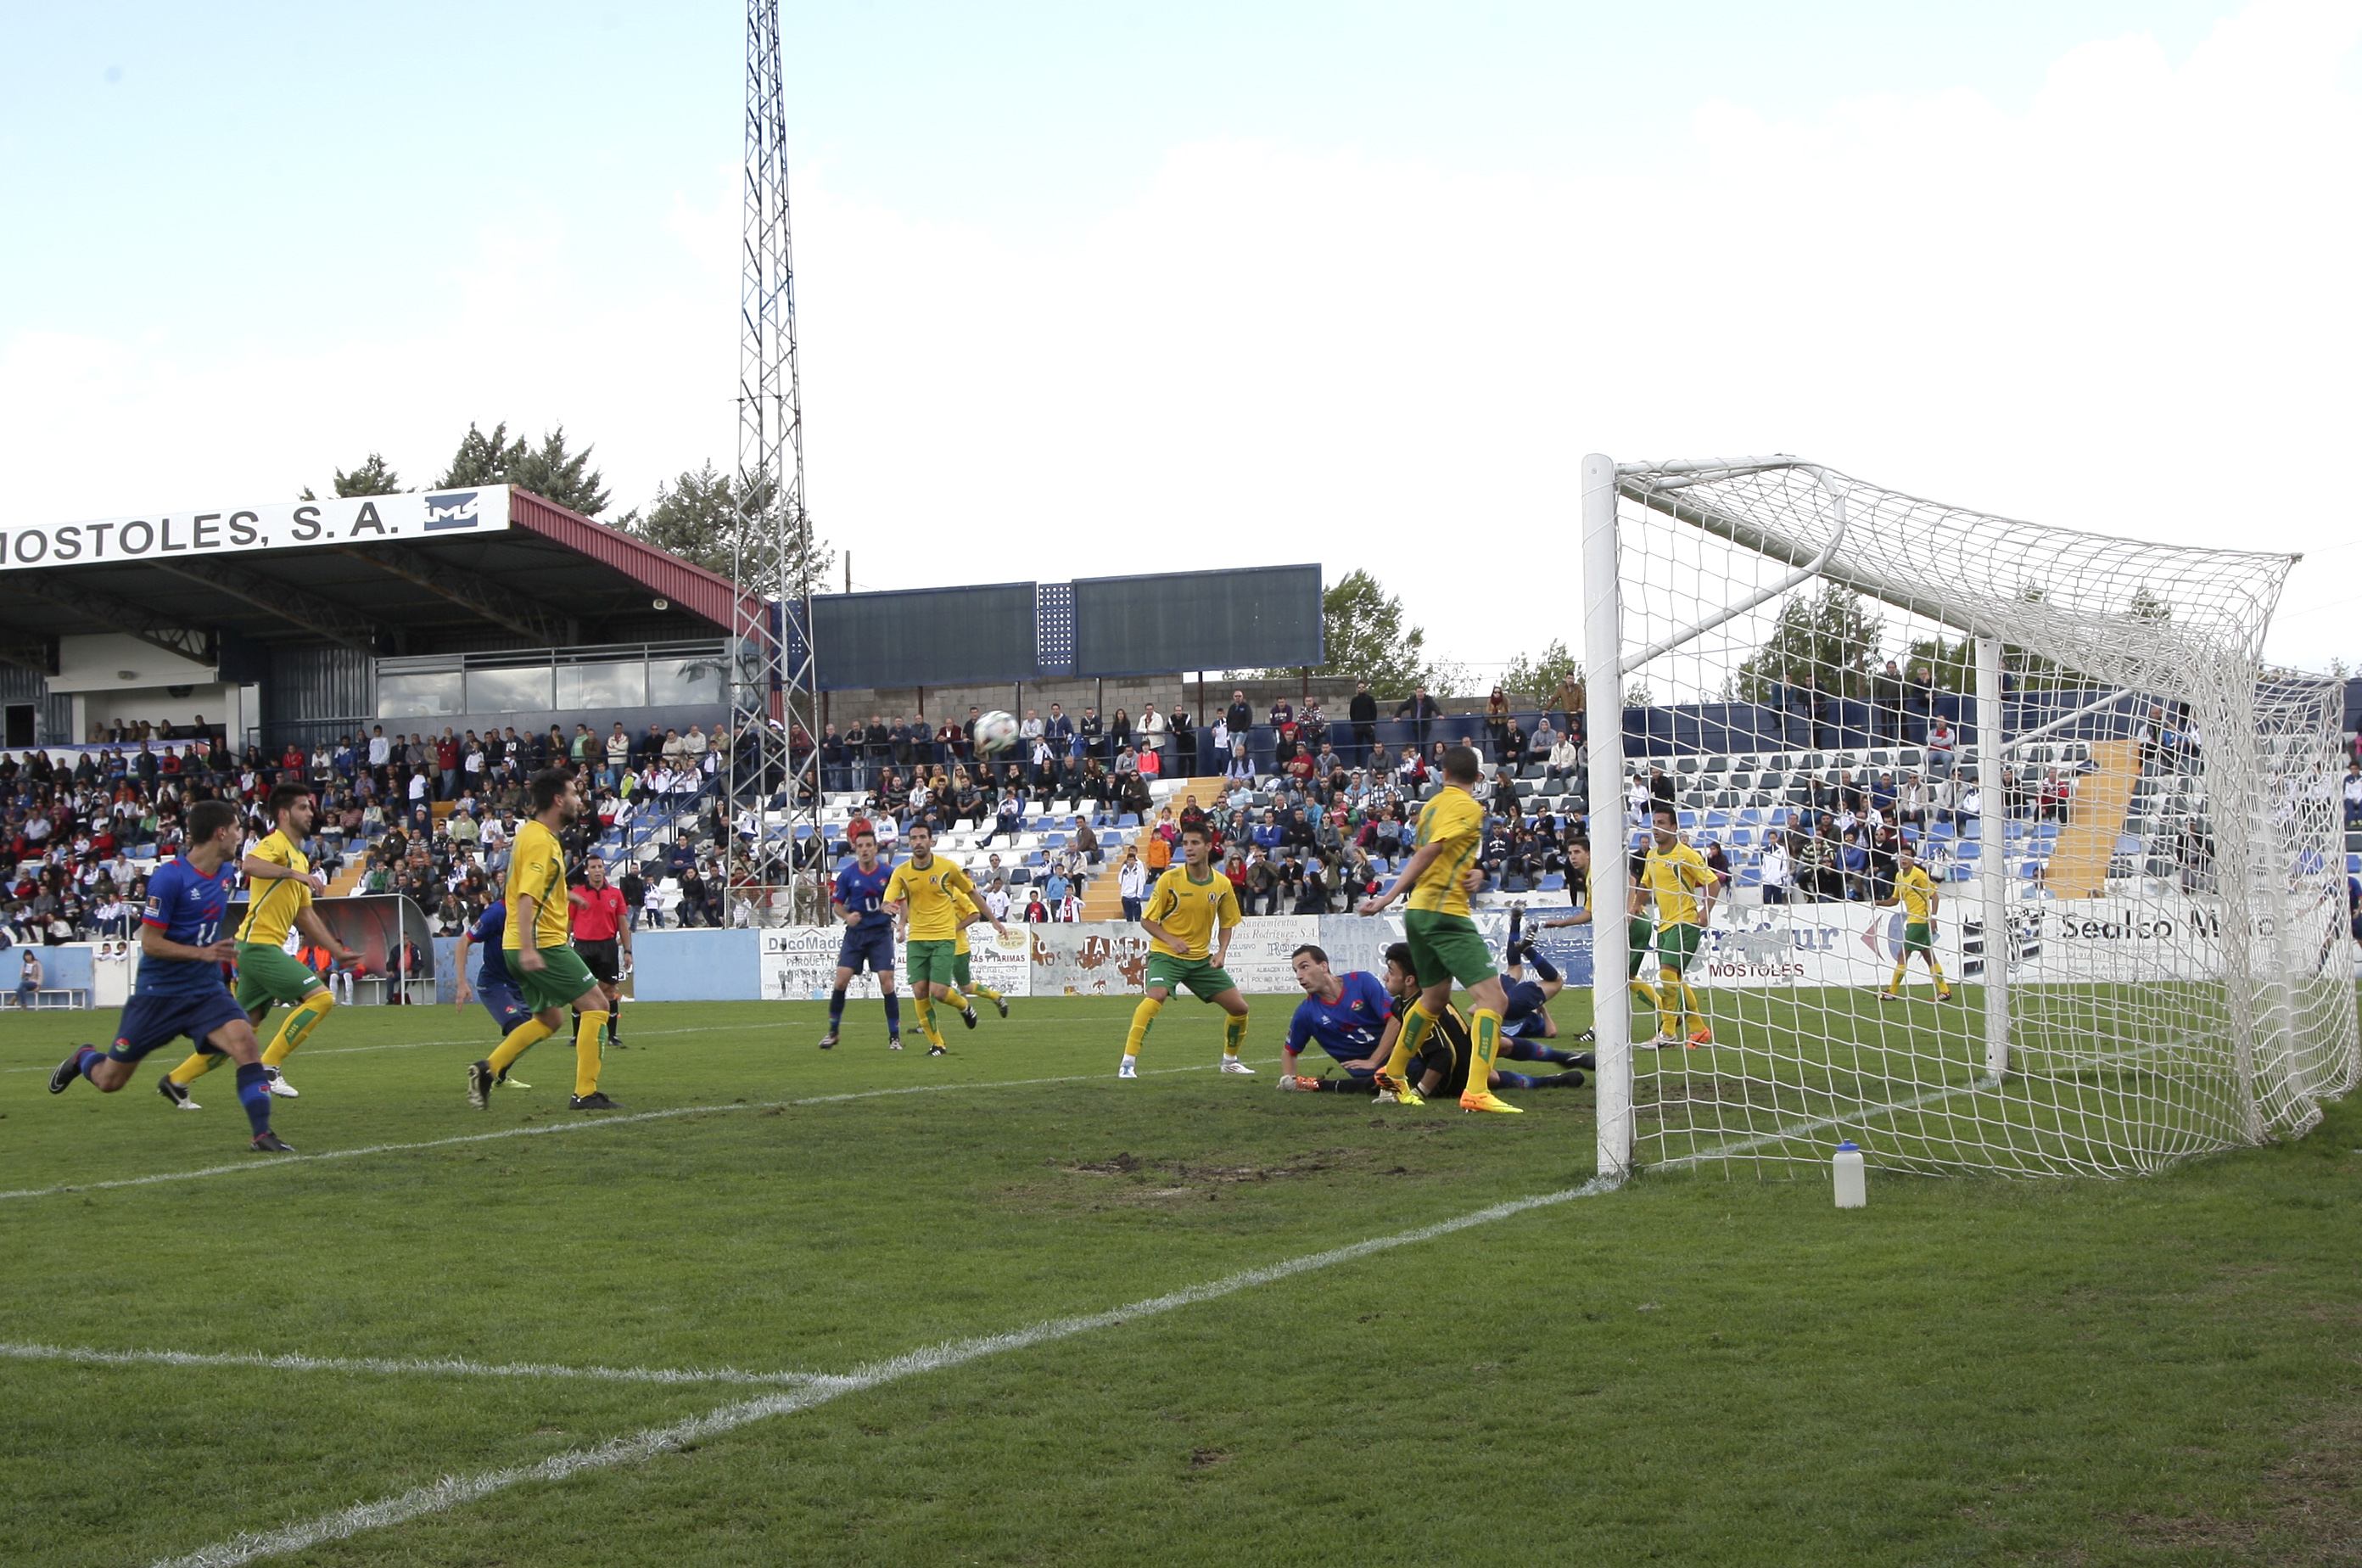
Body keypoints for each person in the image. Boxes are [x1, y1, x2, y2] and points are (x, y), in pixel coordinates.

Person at [48, 798, 294, 1152]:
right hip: (158, 994)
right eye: (238, 829)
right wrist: (203, 952)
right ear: (221, 832)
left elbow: (259, 868)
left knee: (245, 1043)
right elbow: (150, 943)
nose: (242, 836)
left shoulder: (226, 873)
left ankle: (262, 1134)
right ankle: (83, 1056)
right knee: (109, 1081)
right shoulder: (169, 878)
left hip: (206, 989)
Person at [161, 782, 359, 1107]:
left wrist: (336, 951)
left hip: (257, 949)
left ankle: (176, 1080)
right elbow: (249, 865)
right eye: (302, 807)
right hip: (258, 947)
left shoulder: (299, 857)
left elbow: (305, 915)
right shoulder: (276, 844)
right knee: (322, 999)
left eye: (310, 807)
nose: (311, 812)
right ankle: (270, 1067)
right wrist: (292, 875)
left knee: (240, 1036)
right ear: (283, 814)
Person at [1356, 743, 1520, 1113]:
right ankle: (1477, 1090)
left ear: (1441, 774)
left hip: (1420, 912)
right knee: (1495, 1001)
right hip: (1445, 914)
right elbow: (1430, 852)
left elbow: (1446, 856)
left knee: (1433, 999)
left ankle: (1395, 1073)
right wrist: (1387, 895)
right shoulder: (1468, 807)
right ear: (1478, 779)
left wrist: (1478, 871)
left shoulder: (1430, 808)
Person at [465, 770, 618, 1112]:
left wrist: (568, 899)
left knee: (550, 1020)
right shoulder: (539, 841)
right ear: (558, 800)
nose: (580, 802)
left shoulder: (534, 835)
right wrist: (531, 948)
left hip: (516, 946)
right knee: (597, 1006)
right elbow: (524, 897)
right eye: (575, 795)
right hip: (541, 945)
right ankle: (586, 1093)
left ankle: (488, 1070)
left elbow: (535, 890)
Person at [1121, 822, 1255, 1079]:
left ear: (1208, 846)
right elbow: (1147, 921)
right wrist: (1171, 940)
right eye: (1185, 844)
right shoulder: (1169, 880)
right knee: (1156, 995)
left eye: (1195, 843)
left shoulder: (1222, 884)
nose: (1189, 848)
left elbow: (1227, 923)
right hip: (1166, 954)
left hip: (1200, 959)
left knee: (1240, 1009)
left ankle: (1230, 1061)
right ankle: (1128, 1063)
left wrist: (1222, 951)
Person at [880, 820, 1008, 1056]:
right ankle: (938, 1043)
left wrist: (994, 920)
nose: (918, 842)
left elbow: (973, 893)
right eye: (914, 838)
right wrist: (886, 907)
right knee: (919, 991)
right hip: (917, 939)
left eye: (922, 837)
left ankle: (964, 1005)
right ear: (909, 842)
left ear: (931, 841)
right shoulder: (902, 872)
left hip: (943, 938)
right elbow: (889, 897)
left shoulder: (948, 868)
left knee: (938, 991)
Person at [1532, 838, 1659, 1038]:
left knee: (1606, 978)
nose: (1573, 857)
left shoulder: (1599, 869)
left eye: (1577, 852)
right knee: (1624, 978)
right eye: (1570, 853)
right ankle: (1667, 1014)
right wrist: (1562, 923)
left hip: (1635, 926)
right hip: (1635, 927)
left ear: (1589, 854)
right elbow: (1590, 912)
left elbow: (1632, 880)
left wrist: (1628, 913)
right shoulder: (1591, 877)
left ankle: (1599, 1028)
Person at [819, 823, 900, 1050]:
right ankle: (833, 1033)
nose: (865, 849)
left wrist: (892, 910)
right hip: (855, 934)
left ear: (876, 848)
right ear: (855, 849)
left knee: (887, 982)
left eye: (869, 845)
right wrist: (847, 916)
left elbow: (899, 898)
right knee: (841, 980)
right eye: (860, 846)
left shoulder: (887, 873)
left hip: (880, 934)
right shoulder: (847, 875)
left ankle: (894, 1037)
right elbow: (836, 906)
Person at [1643, 804, 1719, 1048]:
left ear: (1674, 827)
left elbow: (1713, 882)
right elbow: (1645, 885)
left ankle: (1668, 1032)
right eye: (1654, 822)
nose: (1656, 827)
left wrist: (1706, 910)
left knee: (1666, 974)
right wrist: (1634, 907)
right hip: (1664, 925)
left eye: (1662, 823)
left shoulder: (1685, 854)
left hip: (1685, 922)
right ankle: (1698, 1030)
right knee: (1674, 977)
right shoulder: (1651, 856)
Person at [453, 899, 537, 1089]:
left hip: (521, 985)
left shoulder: (536, 909)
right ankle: (487, 1073)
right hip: (495, 984)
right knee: (518, 1028)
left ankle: (499, 1076)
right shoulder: (497, 912)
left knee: (531, 1033)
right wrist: (462, 982)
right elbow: (463, 942)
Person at [1876, 844, 1955, 1002]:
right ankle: (1944, 991)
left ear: (1912, 859)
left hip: (1920, 920)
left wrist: (1933, 918)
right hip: (1913, 920)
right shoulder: (1899, 876)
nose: (1904, 859)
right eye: (1901, 856)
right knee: (1928, 956)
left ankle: (1892, 992)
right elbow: (1895, 900)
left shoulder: (1919, 875)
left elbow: (1934, 896)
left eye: (1907, 856)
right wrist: (1880, 903)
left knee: (1903, 954)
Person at [569, 855, 631, 1050]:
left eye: (600, 866)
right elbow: (568, 924)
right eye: (593, 867)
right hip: (583, 947)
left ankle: (612, 1035)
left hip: (607, 946)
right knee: (579, 992)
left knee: (609, 992)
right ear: (587, 870)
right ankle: (577, 1035)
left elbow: (622, 924)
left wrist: (628, 951)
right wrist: (561, 947)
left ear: (604, 869)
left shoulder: (615, 894)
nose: (597, 870)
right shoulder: (577, 894)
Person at [941, 883, 1010, 1021]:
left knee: (965, 987)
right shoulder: (935, 894)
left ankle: (996, 997)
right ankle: (925, 1025)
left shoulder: (957, 893)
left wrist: (956, 929)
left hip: (958, 949)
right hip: (941, 947)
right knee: (934, 984)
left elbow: (975, 914)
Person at [13, 947, 37, 1011]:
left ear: (32, 955)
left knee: (22, 984)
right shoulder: (24, 964)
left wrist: (39, 985)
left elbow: (41, 975)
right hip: (26, 982)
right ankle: (24, 1006)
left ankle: (15, 997)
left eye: (29, 955)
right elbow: (21, 977)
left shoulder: (37, 963)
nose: (28, 957)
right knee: (22, 989)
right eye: (26, 956)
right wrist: (24, 971)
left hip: (34, 982)